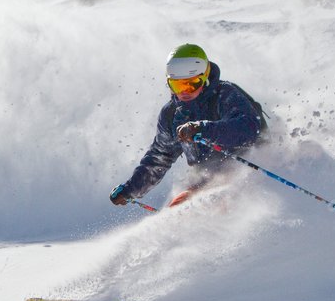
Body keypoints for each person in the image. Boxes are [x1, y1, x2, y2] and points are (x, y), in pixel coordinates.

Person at [110, 43, 266, 208]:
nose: (185, 91)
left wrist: (203, 129)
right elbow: (160, 157)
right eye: (177, 85)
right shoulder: (172, 115)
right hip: (208, 179)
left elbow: (249, 128)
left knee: (219, 203)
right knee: (180, 207)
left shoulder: (224, 95)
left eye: (192, 84)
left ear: (205, 77)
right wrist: (130, 190)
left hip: (248, 169)